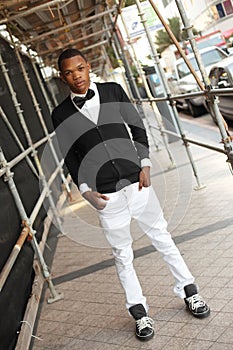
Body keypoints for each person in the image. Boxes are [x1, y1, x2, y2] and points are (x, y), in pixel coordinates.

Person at [51, 48, 210, 342]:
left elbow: (137, 127)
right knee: (123, 256)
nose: (77, 76)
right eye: (69, 72)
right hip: (107, 197)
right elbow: (70, 157)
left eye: (80, 68)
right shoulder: (59, 114)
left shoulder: (112, 91)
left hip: (138, 185)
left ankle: (190, 292)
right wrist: (86, 191)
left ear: (88, 68)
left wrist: (145, 165)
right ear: (63, 78)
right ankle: (139, 313)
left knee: (162, 238)